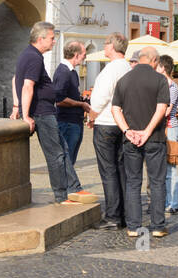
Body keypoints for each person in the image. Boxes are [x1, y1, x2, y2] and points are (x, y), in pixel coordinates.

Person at [111, 46, 171, 239]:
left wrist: (127, 131)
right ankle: (157, 226)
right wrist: (148, 131)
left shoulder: (124, 80)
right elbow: (162, 109)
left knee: (133, 182)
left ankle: (134, 226)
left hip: (131, 139)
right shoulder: (160, 80)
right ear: (154, 61)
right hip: (154, 138)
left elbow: (115, 110)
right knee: (157, 181)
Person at [10, 21, 73, 204]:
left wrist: (17, 107)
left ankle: (71, 189)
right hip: (42, 113)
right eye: (52, 38)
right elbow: (27, 86)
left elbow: (16, 80)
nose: (54, 42)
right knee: (56, 155)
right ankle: (61, 196)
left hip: (41, 111)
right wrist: (26, 115)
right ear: (41, 38)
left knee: (62, 151)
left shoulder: (28, 55)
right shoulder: (34, 57)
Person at [87, 33, 133, 231]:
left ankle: (113, 216)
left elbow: (99, 98)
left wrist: (92, 116)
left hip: (106, 122)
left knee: (108, 170)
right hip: (123, 124)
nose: (104, 47)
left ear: (113, 47)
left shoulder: (110, 70)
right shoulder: (128, 68)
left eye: (106, 44)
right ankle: (123, 213)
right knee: (121, 169)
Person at [52, 39, 94, 201]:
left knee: (71, 158)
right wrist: (80, 103)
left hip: (74, 120)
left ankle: (67, 191)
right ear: (76, 55)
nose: (84, 57)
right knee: (66, 157)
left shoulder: (72, 72)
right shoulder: (63, 72)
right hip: (67, 121)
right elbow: (59, 99)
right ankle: (69, 190)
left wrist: (81, 99)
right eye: (83, 54)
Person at [155, 54, 178, 215]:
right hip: (161, 128)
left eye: (157, 66)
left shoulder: (172, 86)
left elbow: (167, 110)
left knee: (171, 166)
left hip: (170, 127)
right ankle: (165, 200)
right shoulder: (160, 84)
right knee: (161, 167)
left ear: (163, 68)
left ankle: (173, 202)